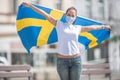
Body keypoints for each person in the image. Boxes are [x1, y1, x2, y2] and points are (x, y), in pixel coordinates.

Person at [22, 2, 111, 80]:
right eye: (69, 14)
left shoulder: (77, 28)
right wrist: (30, 6)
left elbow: (92, 27)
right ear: (65, 15)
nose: (70, 17)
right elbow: (45, 15)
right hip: (62, 61)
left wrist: (103, 27)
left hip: (76, 60)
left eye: (73, 16)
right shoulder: (59, 24)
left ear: (75, 18)